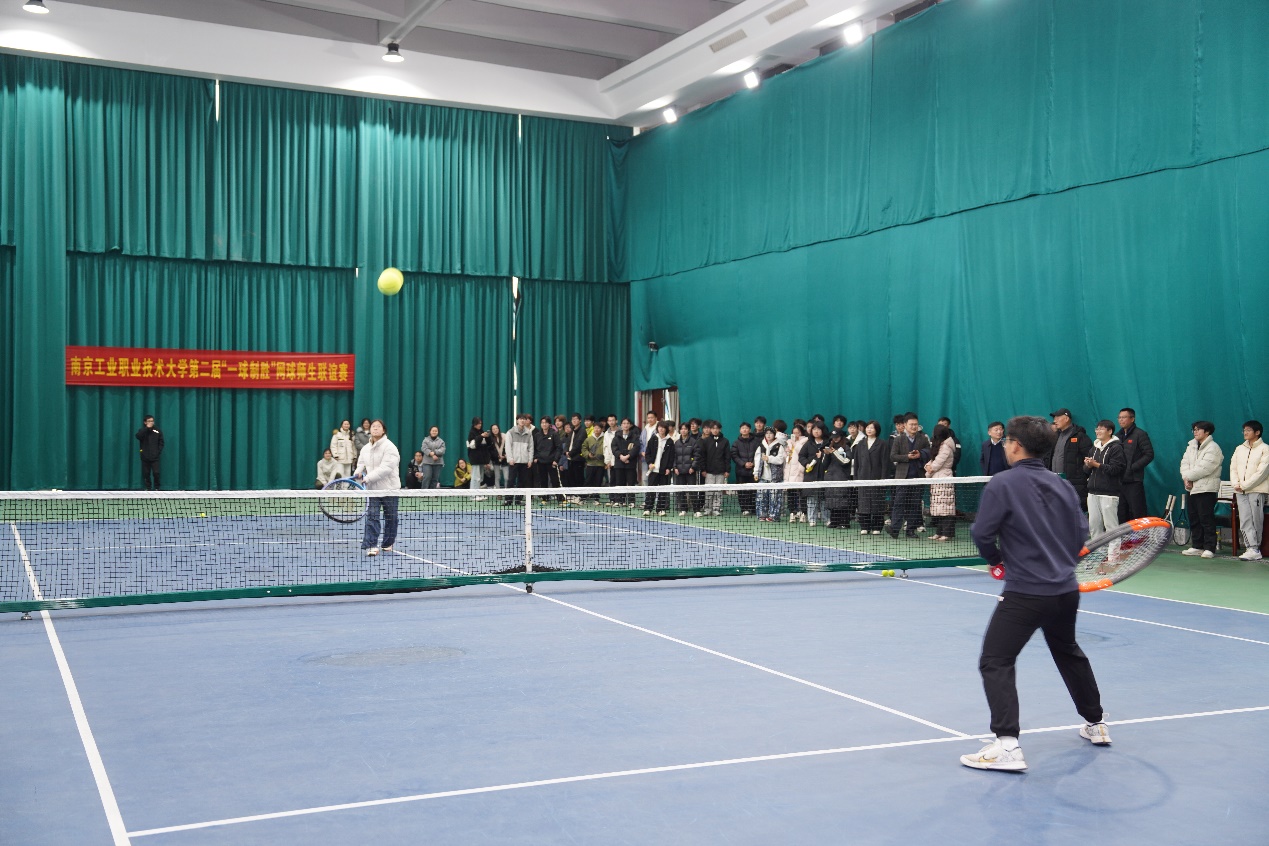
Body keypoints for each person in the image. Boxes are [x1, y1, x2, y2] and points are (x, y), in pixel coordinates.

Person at [963, 415, 1110, 772]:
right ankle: (1096, 724)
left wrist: (996, 561)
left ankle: (1007, 745)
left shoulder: (1002, 483)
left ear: (1014, 445)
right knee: (1068, 651)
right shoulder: (1062, 486)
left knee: (996, 660)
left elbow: (982, 533)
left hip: (1026, 593)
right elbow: (1080, 535)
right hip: (1065, 592)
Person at [354, 419, 401, 557]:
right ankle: (371, 545)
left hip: (389, 489)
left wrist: (368, 478)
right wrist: (358, 473)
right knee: (372, 516)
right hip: (372, 489)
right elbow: (361, 464)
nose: (375, 428)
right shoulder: (365, 448)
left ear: (383, 430)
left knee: (392, 518)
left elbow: (386, 468)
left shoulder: (390, 447)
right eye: (373, 426)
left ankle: (387, 543)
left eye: (378, 426)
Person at [1179, 421, 1223, 558]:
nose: (1195, 432)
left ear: (1207, 432)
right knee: (1194, 517)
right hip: (1191, 488)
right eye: (1194, 429)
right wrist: (1186, 478)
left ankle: (1209, 547)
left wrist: (1189, 477)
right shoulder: (1191, 446)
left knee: (1206, 518)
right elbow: (1184, 463)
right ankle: (1197, 545)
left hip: (1206, 489)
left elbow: (1205, 468)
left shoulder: (1213, 447)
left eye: (1198, 429)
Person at [1083, 420, 1126, 550]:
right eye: (1097, 429)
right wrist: (1088, 465)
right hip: (1092, 493)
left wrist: (1096, 465)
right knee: (1094, 526)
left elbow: (1116, 469)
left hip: (1109, 494)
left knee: (1111, 527)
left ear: (1110, 431)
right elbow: (1086, 471)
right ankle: (1097, 554)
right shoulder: (1094, 448)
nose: (1098, 431)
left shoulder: (1116, 448)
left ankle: (1114, 556)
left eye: (1101, 429)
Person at [1230, 420, 1269, 561]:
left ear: (1257, 432)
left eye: (1248, 430)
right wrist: (1236, 484)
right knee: (1245, 519)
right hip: (1240, 491)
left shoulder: (1265, 449)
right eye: (1244, 430)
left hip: (1256, 490)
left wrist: (1245, 485)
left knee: (1256, 519)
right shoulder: (1239, 449)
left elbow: (1262, 472)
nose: (1245, 432)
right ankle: (1250, 548)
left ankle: (1255, 548)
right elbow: (1233, 468)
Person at [889, 414, 930, 538]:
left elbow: (929, 452)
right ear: (905, 425)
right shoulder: (898, 439)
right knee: (898, 503)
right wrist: (907, 457)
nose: (914, 427)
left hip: (918, 476)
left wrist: (920, 454)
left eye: (915, 424)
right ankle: (894, 529)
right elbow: (893, 456)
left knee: (915, 504)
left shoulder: (923, 438)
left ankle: (910, 530)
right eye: (911, 424)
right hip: (902, 477)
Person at [1049, 409, 1094, 511]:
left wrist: (1082, 475)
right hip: (1056, 481)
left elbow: (1089, 457)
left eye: (1057, 418)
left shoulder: (1080, 436)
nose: (1055, 421)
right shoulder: (1055, 436)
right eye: (1054, 418)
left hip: (1074, 483)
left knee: (1075, 511)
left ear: (1066, 418)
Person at [1115, 408, 1154, 522]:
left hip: (1134, 480)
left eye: (1124, 417)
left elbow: (1149, 454)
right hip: (1119, 481)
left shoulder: (1140, 434)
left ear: (1132, 419)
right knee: (1121, 512)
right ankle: (1124, 534)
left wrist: (1132, 468)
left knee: (1137, 511)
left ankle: (1141, 533)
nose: (1121, 420)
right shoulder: (1117, 436)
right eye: (1119, 417)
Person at [853, 421, 889, 534]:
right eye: (868, 427)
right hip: (862, 478)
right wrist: (856, 479)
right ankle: (865, 526)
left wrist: (883, 479)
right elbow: (857, 463)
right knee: (863, 503)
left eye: (872, 428)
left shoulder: (882, 444)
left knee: (877, 503)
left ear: (876, 430)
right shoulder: (860, 444)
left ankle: (877, 527)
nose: (869, 430)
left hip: (877, 478)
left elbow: (885, 463)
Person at [925, 423, 957, 540]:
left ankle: (947, 533)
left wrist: (929, 470)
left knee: (946, 507)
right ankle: (939, 532)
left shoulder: (946, 447)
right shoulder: (940, 445)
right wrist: (927, 467)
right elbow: (932, 461)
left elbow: (937, 464)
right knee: (939, 507)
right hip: (937, 479)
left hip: (944, 478)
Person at [799, 422, 830, 526]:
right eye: (814, 429)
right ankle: (812, 519)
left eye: (818, 429)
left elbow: (831, 457)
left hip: (824, 475)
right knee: (811, 498)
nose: (816, 431)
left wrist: (823, 455)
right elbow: (801, 456)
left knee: (824, 498)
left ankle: (826, 519)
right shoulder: (808, 443)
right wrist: (806, 464)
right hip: (811, 475)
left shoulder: (828, 443)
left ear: (823, 431)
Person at [698, 420, 731, 518]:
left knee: (718, 491)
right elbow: (702, 456)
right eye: (713, 428)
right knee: (709, 491)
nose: (715, 430)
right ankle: (707, 509)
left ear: (720, 429)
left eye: (717, 428)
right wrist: (703, 469)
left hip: (721, 471)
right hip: (709, 471)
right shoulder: (706, 441)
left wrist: (727, 470)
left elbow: (727, 457)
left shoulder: (725, 441)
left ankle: (716, 509)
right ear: (710, 430)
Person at [643, 421, 675, 515]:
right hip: (653, 470)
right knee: (651, 490)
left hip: (664, 471)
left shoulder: (670, 441)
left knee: (663, 491)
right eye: (659, 427)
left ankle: (660, 509)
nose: (661, 429)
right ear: (657, 428)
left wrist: (668, 468)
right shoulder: (653, 439)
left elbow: (671, 457)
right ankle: (648, 509)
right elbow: (647, 453)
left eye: (663, 427)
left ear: (666, 429)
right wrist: (649, 463)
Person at [754, 427, 785, 522]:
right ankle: (762, 515)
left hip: (775, 477)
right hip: (763, 477)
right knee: (761, 497)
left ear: (774, 435)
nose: (768, 435)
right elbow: (757, 460)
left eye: (770, 433)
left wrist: (769, 458)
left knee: (775, 498)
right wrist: (756, 472)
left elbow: (780, 460)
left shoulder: (779, 446)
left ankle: (773, 516)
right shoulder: (761, 446)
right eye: (766, 433)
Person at [823, 433, 853, 528]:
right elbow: (824, 465)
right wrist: (826, 454)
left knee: (842, 500)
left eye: (837, 437)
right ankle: (834, 521)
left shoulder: (846, 448)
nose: (835, 439)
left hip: (842, 478)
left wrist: (835, 452)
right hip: (830, 478)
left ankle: (844, 522)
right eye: (833, 438)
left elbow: (845, 461)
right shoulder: (830, 448)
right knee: (832, 500)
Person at [505, 414, 535, 504]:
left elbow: (531, 448)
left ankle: (518, 500)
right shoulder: (510, 432)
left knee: (522, 482)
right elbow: (508, 447)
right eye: (520, 419)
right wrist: (510, 459)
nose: (522, 421)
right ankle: (508, 500)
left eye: (524, 419)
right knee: (511, 481)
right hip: (513, 462)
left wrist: (530, 460)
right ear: (517, 420)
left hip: (524, 462)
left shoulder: (529, 433)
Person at [731, 422, 759, 515]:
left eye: (746, 428)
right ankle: (744, 508)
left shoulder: (756, 442)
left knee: (753, 491)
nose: (744, 429)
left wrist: (753, 464)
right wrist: (744, 464)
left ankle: (753, 508)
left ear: (749, 430)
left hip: (753, 471)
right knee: (742, 491)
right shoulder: (736, 443)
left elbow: (759, 454)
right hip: (741, 471)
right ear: (740, 430)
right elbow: (734, 455)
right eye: (743, 428)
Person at [609, 418, 639, 505]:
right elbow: (614, 448)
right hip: (619, 464)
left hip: (631, 464)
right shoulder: (616, 436)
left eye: (627, 423)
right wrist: (621, 457)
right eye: (624, 423)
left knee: (631, 483)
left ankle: (631, 501)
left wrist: (628, 456)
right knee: (619, 483)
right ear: (621, 425)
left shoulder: (635, 436)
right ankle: (620, 500)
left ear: (630, 425)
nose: (626, 425)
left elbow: (636, 448)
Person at [673, 421, 700, 516]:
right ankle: (683, 509)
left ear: (688, 430)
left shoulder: (693, 442)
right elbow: (674, 457)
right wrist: (675, 467)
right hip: (679, 471)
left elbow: (697, 456)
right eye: (682, 429)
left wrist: (693, 467)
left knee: (692, 491)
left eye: (685, 429)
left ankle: (696, 510)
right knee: (681, 491)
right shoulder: (677, 443)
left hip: (690, 471)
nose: (683, 430)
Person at [785, 423, 808, 523]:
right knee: (791, 494)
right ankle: (792, 513)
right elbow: (787, 457)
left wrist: (796, 445)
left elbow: (803, 454)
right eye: (794, 433)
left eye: (798, 432)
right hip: (789, 472)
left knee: (802, 494)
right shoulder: (789, 442)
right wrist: (788, 451)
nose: (796, 434)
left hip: (799, 472)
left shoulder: (805, 442)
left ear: (801, 433)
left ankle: (803, 513)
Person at [135, 414, 165, 490]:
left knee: (156, 473)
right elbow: (138, 436)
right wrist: (146, 429)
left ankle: (157, 487)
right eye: (149, 421)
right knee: (146, 473)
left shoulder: (157, 431)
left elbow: (161, 442)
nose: (151, 422)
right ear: (145, 422)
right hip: (145, 457)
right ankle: (148, 487)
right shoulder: (142, 431)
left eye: (152, 421)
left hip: (155, 457)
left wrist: (158, 452)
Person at [466, 417, 491, 493]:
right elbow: (473, 445)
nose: (479, 425)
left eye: (480, 423)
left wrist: (487, 437)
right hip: (475, 459)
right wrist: (481, 436)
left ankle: (478, 493)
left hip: (482, 459)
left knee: (480, 478)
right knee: (475, 477)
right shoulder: (472, 432)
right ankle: (473, 495)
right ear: (474, 424)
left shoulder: (481, 431)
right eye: (478, 423)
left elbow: (488, 444)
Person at [488, 424, 509, 492]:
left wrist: (505, 456)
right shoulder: (490, 439)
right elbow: (490, 450)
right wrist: (497, 456)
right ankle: (498, 493)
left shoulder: (504, 436)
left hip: (505, 460)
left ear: (498, 429)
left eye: (496, 428)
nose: (495, 430)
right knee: (497, 477)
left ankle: (506, 493)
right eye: (493, 429)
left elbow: (509, 447)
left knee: (506, 477)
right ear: (491, 430)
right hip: (495, 461)